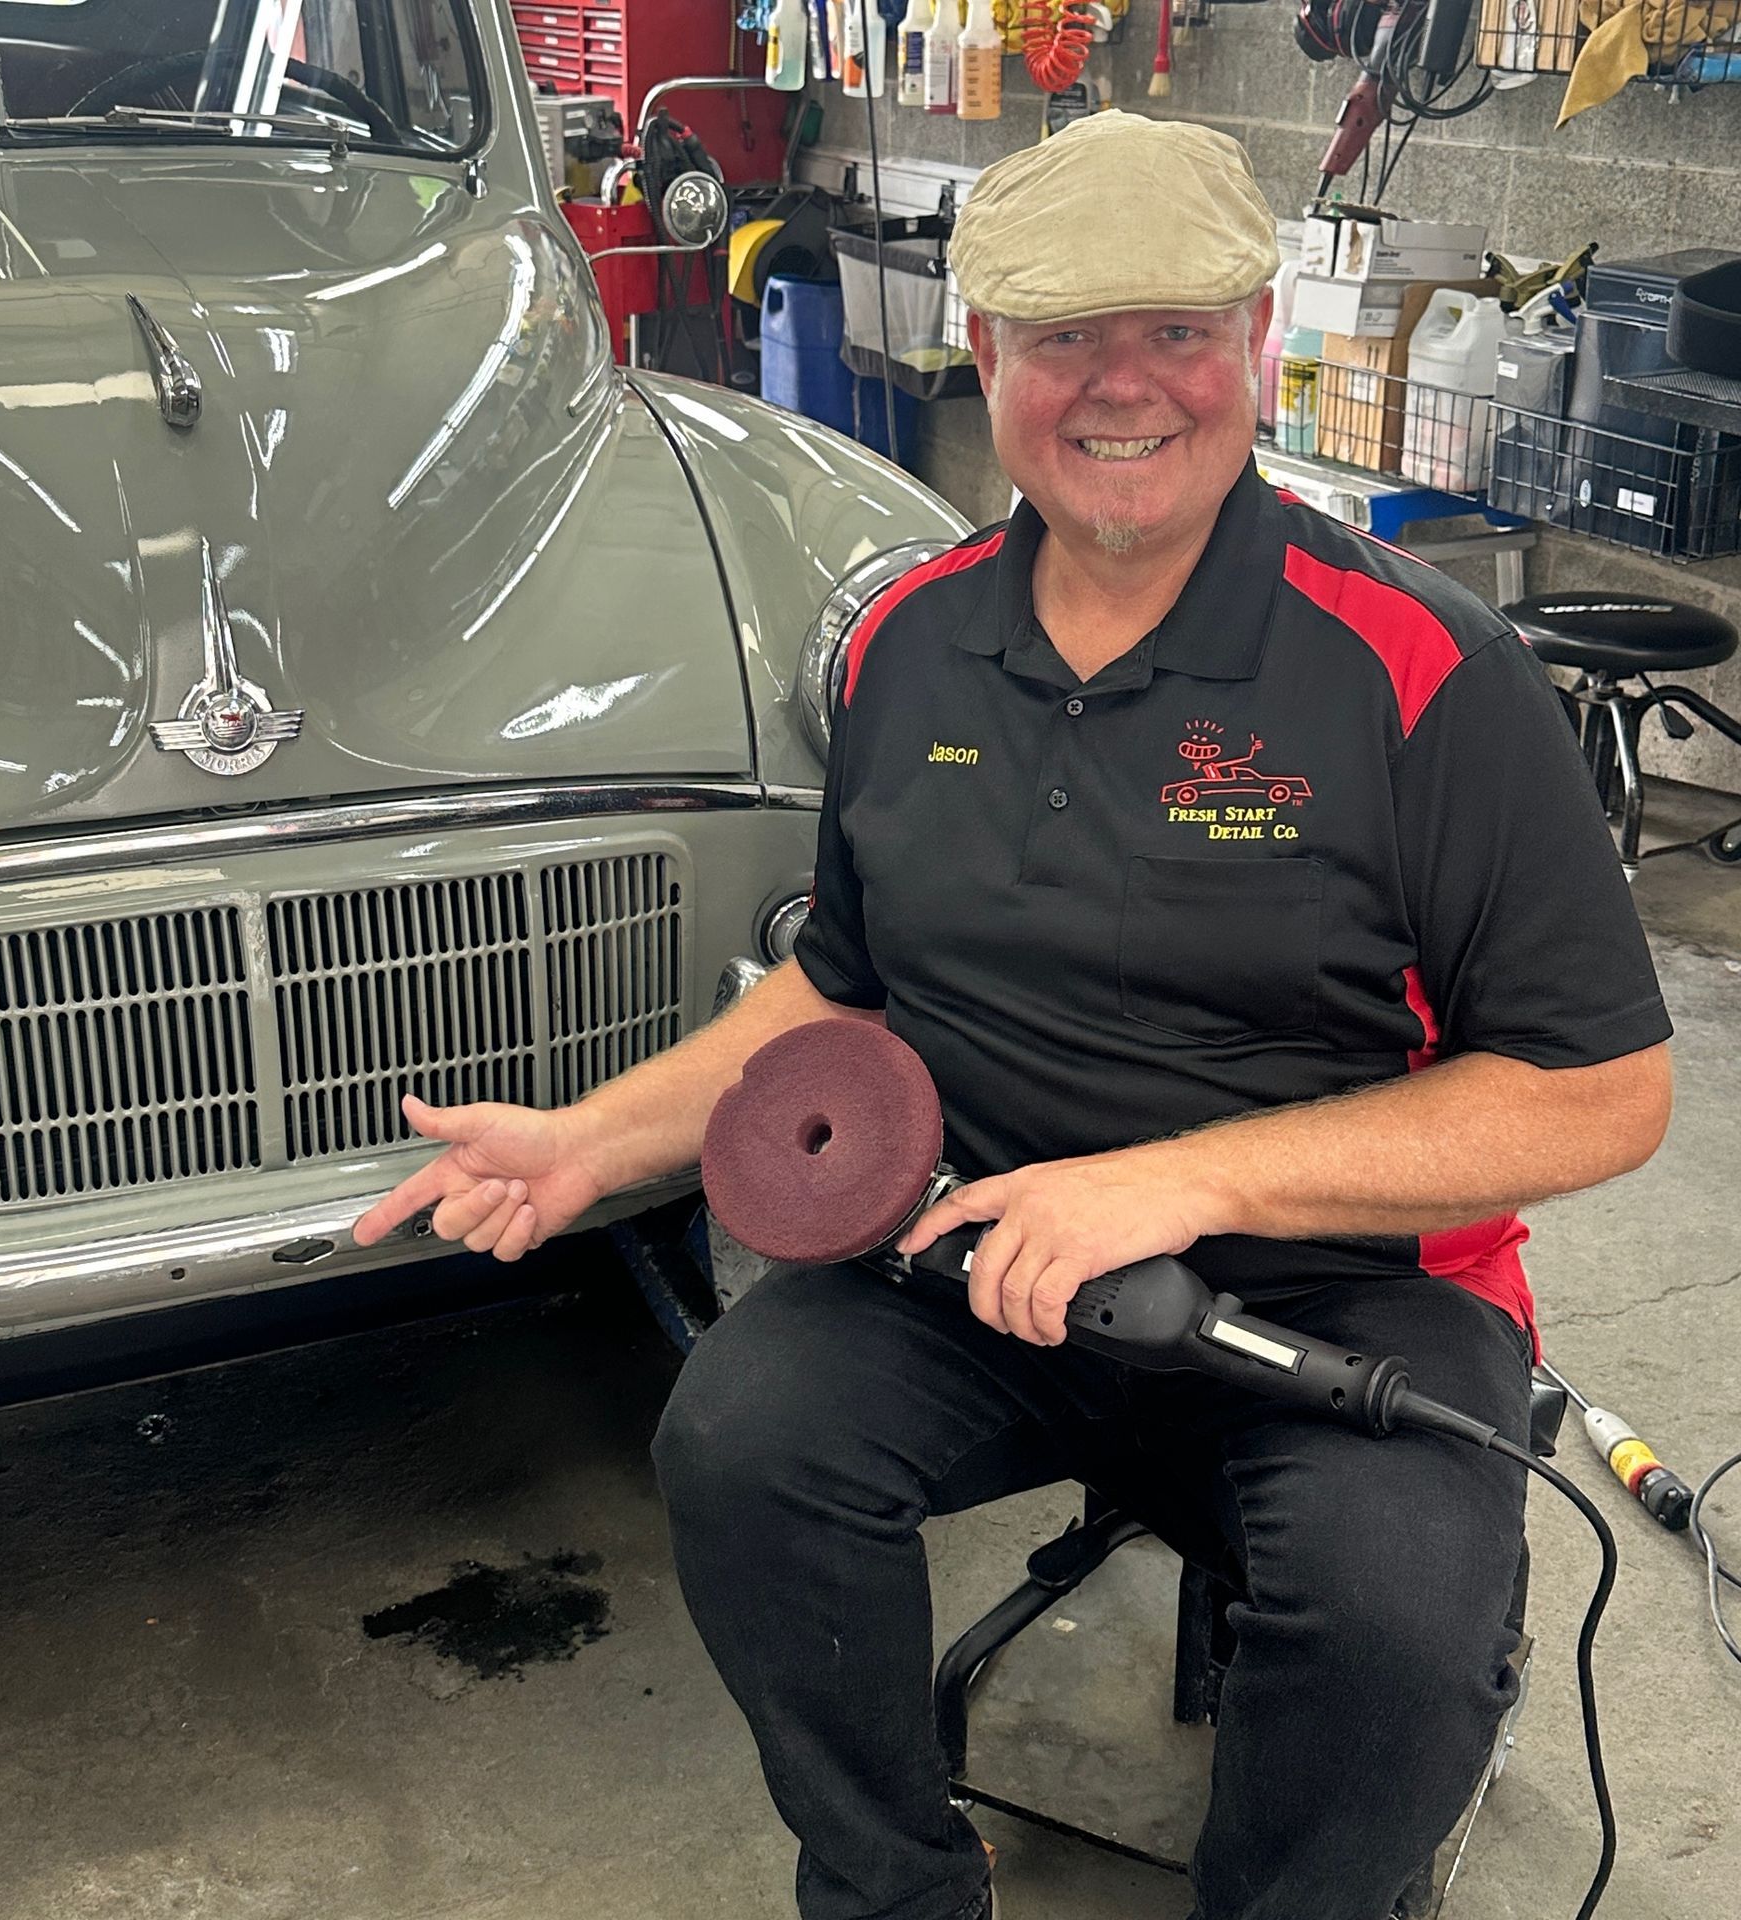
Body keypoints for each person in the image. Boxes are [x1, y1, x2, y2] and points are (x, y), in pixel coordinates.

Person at [354, 114, 1674, 1920]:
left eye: (1177, 333)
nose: (1122, 387)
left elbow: (1598, 1094)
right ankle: (899, 1887)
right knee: (743, 1446)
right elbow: (845, 984)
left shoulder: (1430, 671)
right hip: (974, 1267)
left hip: (1347, 1300)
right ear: (985, 356)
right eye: (1063, 337)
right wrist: (590, 1141)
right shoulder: (908, 645)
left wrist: (1172, 1184)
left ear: (1258, 342)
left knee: (1393, 1633)